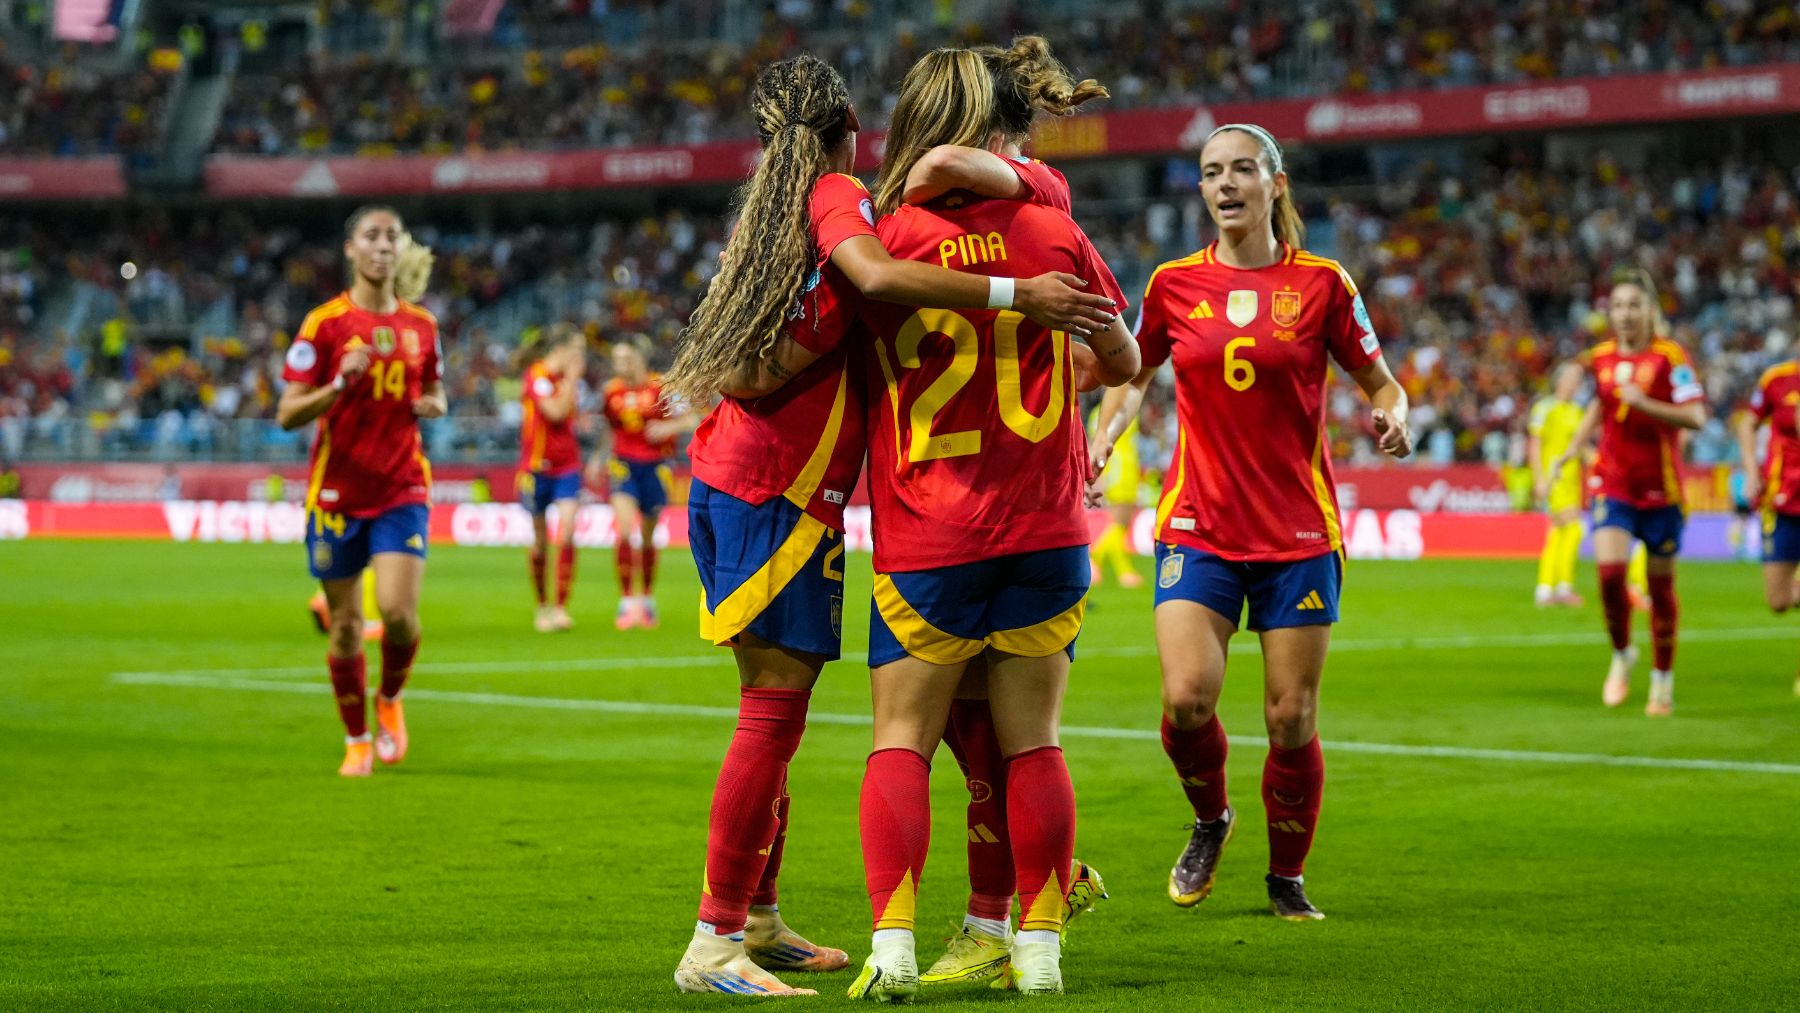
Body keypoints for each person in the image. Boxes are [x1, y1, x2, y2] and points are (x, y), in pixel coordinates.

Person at [664, 53, 1117, 1000]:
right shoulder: (864, 218)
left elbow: (767, 355)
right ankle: (716, 940)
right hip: (785, 492)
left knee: (943, 719)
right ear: (846, 132)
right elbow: (761, 365)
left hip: (836, 506)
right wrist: (1019, 280)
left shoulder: (865, 218)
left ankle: (762, 916)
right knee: (781, 712)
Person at [849, 47, 1139, 1001]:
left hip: (930, 531)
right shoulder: (1054, 227)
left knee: (903, 739)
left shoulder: (887, 241)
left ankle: (891, 949)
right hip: (1046, 528)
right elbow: (1126, 355)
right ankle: (1039, 951)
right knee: (1033, 745)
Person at [1090, 123, 1411, 924]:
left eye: (1240, 170)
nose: (1224, 184)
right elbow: (1131, 375)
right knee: (1188, 696)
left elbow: (1382, 382)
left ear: (1275, 183)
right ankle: (1210, 818)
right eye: (1209, 173)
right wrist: (1104, 432)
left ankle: (1286, 878)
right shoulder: (1170, 284)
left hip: (1297, 532)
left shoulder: (1324, 284)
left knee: (1289, 716)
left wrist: (1391, 415)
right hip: (1196, 521)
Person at [277, 208, 445, 777]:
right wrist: (337, 384)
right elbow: (287, 414)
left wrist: (434, 404)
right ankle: (356, 739)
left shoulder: (422, 325)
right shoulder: (323, 324)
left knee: (398, 614)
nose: (382, 246)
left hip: (402, 486)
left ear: (401, 249)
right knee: (347, 624)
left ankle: (390, 699)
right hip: (337, 493)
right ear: (350, 249)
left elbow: (436, 389)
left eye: (392, 236)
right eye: (371, 236)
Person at [1554, 269, 1706, 716]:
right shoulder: (1600, 358)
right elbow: (1601, 405)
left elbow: (1696, 417)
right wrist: (1571, 450)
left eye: (1633, 305)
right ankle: (1622, 655)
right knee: (1609, 576)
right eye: (1617, 305)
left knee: (1661, 590)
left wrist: (1646, 404)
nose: (1624, 314)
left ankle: (1662, 680)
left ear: (1650, 310)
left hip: (1662, 489)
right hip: (1613, 482)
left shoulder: (1671, 358)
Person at [594, 339, 691, 631]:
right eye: (616, 358)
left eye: (624, 356)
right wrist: (598, 458)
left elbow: (692, 420)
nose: (619, 363)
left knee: (648, 537)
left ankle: (646, 598)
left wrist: (668, 427)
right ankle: (626, 601)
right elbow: (611, 429)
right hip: (623, 464)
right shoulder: (611, 391)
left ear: (639, 357)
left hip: (656, 466)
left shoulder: (662, 386)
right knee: (624, 532)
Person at [1735, 352, 1800, 694]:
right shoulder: (1777, 379)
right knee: (1778, 601)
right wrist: (1750, 469)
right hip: (1781, 499)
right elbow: (1748, 422)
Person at [516, 323, 588, 632]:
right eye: (578, 349)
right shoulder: (539, 375)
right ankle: (542, 605)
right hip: (536, 468)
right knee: (541, 543)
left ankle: (560, 607)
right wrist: (572, 380)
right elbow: (555, 413)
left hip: (567, 467)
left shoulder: (561, 380)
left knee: (568, 532)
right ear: (562, 350)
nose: (581, 356)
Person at [1529, 361, 1587, 607]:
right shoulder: (1545, 408)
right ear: (1560, 380)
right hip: (1555, 477)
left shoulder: (1577, 411)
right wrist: (1539, 478)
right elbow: (1534, 444)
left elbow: (1580, 449)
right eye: (1573, 378)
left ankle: (1551, 588)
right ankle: (1556, 588)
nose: (1577, 384)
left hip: (1573, 479)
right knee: (1570, 528)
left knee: (1563, 532)